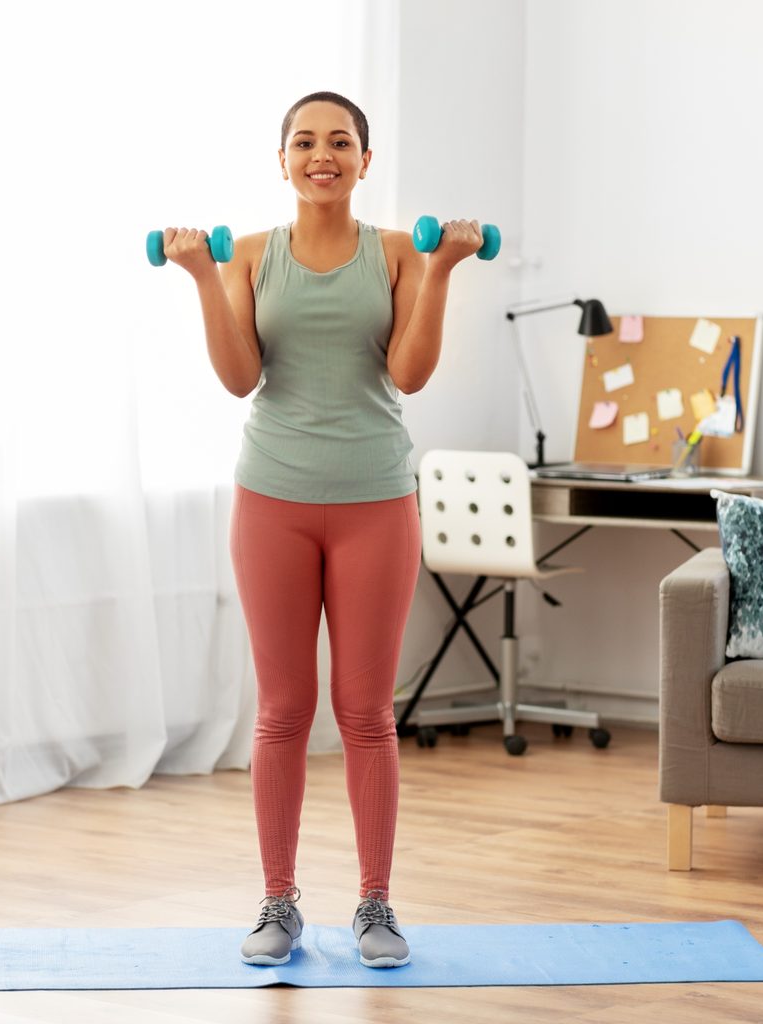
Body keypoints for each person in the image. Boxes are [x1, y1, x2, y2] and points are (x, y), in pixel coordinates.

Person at [161, 91, 482, 969]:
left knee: (367, 713)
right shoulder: (253, 257)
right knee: (282, 712)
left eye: (340, 141)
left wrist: (445, 267)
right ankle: (278, 903)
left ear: (366, 161)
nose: (322, 154)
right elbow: (238, 378)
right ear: (283, 160)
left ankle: (376, 906)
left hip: (378, 501)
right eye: (304, 141)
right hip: (273, 500)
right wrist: (199, 276)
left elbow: (411, 374)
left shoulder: (396, 254)